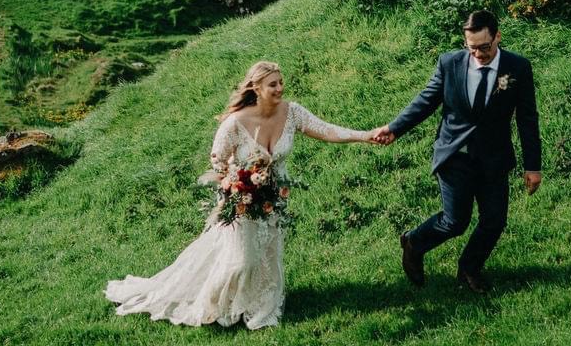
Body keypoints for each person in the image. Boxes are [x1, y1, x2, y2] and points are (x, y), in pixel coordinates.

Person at [105, 60, 381, 329]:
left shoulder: (293, 112)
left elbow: (328, 130)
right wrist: (239, 182)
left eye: (281, 82)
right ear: (256, 88)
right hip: (241, 199)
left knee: (267, 254)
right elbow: (218, 160)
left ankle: (259, 307)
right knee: (241, 260)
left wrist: (365, 135)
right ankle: (215, 304)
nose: (280, 88)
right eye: (273, 84)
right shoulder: (235, 122)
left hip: (274, 197)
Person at [371, 9, 542, 293]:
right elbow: (425, 101)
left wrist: (533, 166)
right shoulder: (450, 63)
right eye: (472, 47)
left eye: (484, 47)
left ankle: (469, 269)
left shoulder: (518, 67)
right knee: (455, 221)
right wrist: (394, 128)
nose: (478, 54)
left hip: (493, 157)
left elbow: (527, 118)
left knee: (495, 221)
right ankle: (414, 242)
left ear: (497, 37)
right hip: (455, 156)